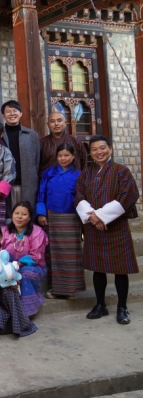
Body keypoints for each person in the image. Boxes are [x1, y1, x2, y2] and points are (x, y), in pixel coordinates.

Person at [75, 135, 140, 325]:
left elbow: (128, 195)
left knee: (120, 269)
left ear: (110, 149)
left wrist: (101, 216)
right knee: (98, 268)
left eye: (102, 148)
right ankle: (100, 305)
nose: (98, 152)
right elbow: (79, 193)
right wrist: (93, 217)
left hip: (116, 226)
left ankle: (122, 307)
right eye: (94, 149)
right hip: (95, 227)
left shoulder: (122, 171)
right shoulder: (87, 172)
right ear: (90, 153)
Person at [36, 143, 85, 299]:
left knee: (71, 255)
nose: (63, 158)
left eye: (66, 155)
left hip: (72, 218)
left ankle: (71, 289)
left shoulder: (79, 175)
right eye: (60, 156)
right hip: (52, 218)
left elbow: (82, 198)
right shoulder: (48, 173)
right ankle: (54, 289)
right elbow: (41, 193)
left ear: (73, 156)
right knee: (53, 254)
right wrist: (41, 213)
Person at [1, 201, 49, 317]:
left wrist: (17, 265)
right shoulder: (4, 231)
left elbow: (36, 256)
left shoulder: (37, 232)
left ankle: (28, 311)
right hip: (8, 266)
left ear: (30, 217)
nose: (19, 217)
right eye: (16, 213)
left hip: (33, 266)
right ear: (12, 215)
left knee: (25, 274)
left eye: (24, 214)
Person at [0, 100, 40, 212]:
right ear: (3, 115)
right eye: (8, 111)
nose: (12, 114)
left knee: (26, 216)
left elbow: (36, 161)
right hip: (4, 185)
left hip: (27, 185)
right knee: (7, 218)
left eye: (15, 110)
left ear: (21, 113)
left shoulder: (31, 135)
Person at [39, 110, 87, 177]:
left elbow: (83, 164)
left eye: (59, 120)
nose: (56, 124)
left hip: (73, 184)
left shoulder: (76, 142)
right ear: (48, 125)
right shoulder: (42, 143)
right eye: (52, 121)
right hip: (49, 184)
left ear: (65, 122)